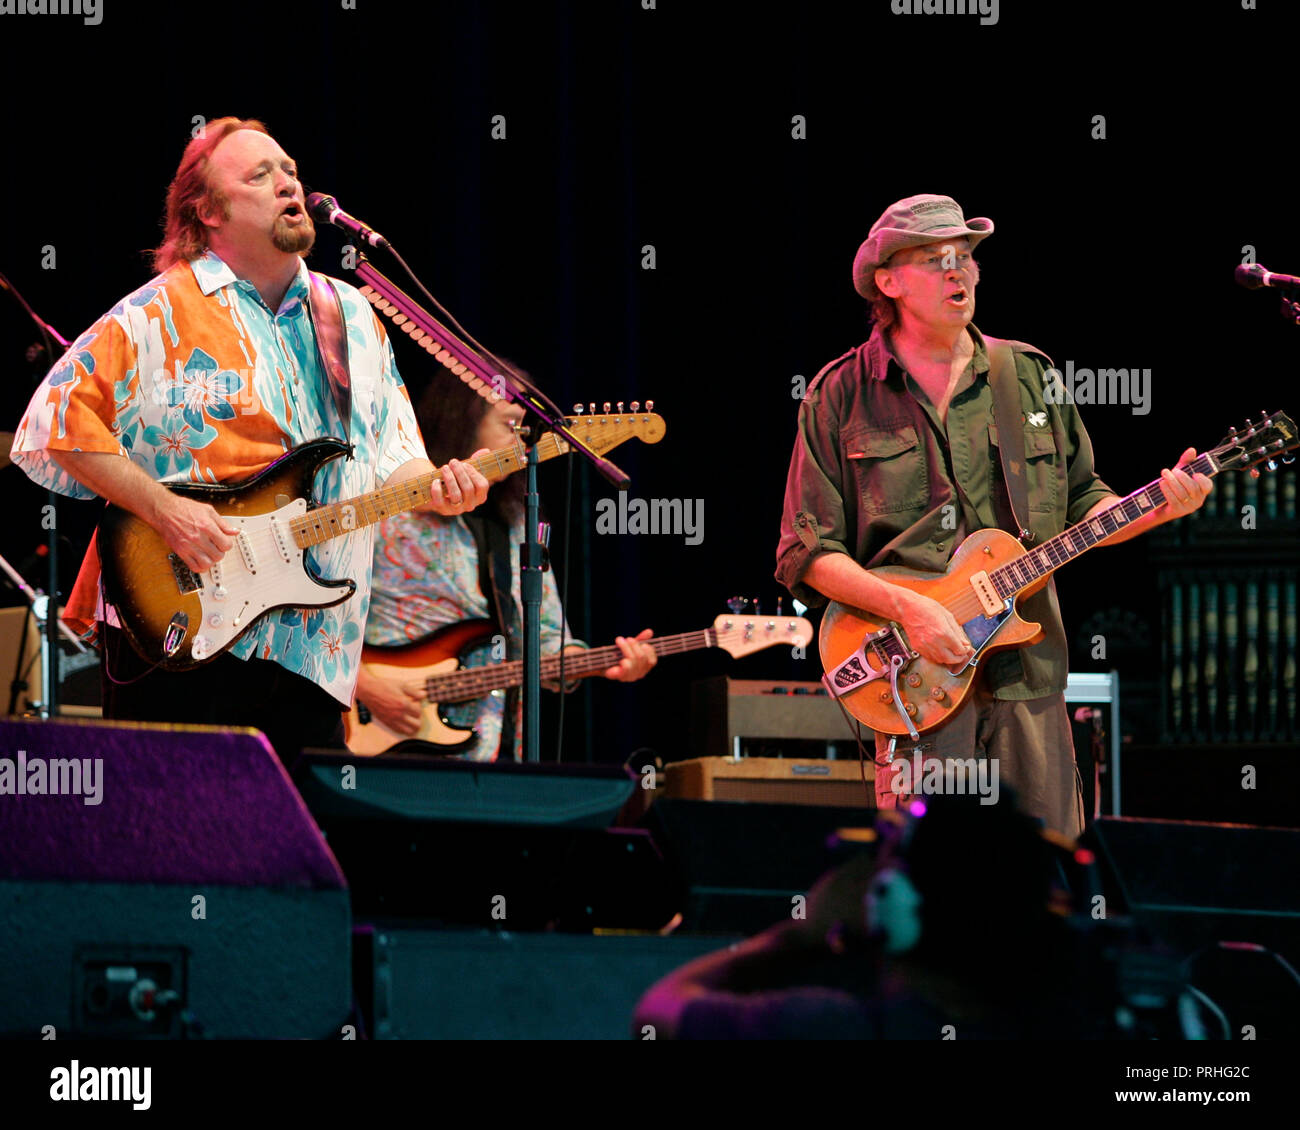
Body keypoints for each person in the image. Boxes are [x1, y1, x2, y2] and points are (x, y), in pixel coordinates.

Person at [9, 117, 489, 764]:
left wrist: (440, 489)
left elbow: (393, 457)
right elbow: (54, 423)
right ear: (206, 210)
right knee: (176, 843)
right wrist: (165, 510)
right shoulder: (157, 312)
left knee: (298, 857)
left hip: (317, 646)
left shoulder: (351, 313)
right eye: (260, 175)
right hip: (183, 627)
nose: (288, 183)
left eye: (290, 170)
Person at [776, 194, 1211, 837]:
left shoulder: (1029, 375)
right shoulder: (839, 393)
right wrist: (911, 611)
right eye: (936, 259)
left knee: (1046, 877)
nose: (959, 272)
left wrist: (1163, 507)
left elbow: (1086, 503)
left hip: (1026, 674)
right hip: (913, 676)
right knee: (932, 890)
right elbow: (806, 553)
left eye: (966, 258)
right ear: (889, 282)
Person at [358, 374, 656, 761]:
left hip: (492, 748)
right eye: (508, 425)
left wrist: (608, 664)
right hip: (384, 743)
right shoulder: (390, 508)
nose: (521, 440)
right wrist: (364, 688)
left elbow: (546, 642)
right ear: (461, 420)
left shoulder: (518, 520)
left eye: (525, 429)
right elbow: (319, 620)